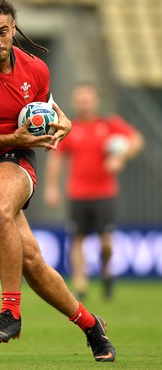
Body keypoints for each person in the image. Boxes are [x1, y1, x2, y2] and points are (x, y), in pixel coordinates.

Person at [0, 0, 116, 362]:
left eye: (3, 32)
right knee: (31, 260)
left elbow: (46, 107)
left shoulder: (35, 69)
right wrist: (12, 136)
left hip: (14, 160)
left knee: (0, 207)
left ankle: (10, 313)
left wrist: (61, 122)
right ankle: (91, 325)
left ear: (14, 28)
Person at [44, 82, 145, 300]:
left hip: (104, 192)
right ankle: (81, 285)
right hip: (77, 193)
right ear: (75, 102)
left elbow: (136, 140)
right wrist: (51, 187)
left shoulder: (109, 124)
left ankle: (107, 272)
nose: (84, 103)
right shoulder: (70, 127)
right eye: (80, 99)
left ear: (95, 100)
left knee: (106, 242)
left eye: (87, 99)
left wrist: (121, 156)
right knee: (77, 239)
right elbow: (57, 157)